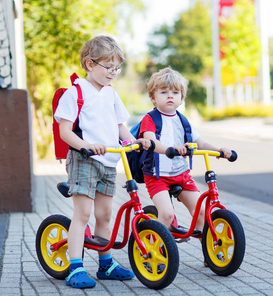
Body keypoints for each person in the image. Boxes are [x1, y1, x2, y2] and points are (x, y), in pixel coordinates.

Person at [54, 35, 150, 289]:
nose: (113, 73)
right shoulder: (76, 93)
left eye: (117, 68)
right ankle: (75, 267)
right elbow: (65, 131)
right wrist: (85, 145)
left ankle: (105, 263)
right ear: (89, 64)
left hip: (109, 160)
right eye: (108, 67)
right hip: (84, 159)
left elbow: (121, 127)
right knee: (83, 213)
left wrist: (132, 141)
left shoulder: (111, 94)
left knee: (105, 213)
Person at [138, 67, 232, 246]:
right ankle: (152, 250)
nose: (170, 96)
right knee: (166, 214)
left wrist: (220, 150)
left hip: (181, 175)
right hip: (157, 176)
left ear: (181, 98)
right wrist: (170, 149)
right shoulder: (150, 119)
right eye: (164, 92)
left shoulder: (183, 121)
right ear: (153, 97)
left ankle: (210, 253)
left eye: (175, 92)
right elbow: (150, 141)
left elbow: (201, 143)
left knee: (202, 212)